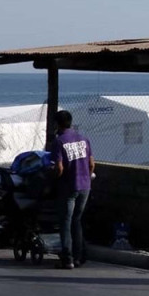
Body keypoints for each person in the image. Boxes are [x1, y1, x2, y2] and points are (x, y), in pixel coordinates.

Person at [49, 110, 95, 270]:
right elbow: (91, 165)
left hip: (68, 187)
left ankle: (67, 258)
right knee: (77, 220)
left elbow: (59, 169)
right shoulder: (84, 139)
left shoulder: (59, 142)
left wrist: (53, 177)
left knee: (66, 223)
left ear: (57, 124)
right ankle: (79, 257)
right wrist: (86, 178)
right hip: (85, 186)